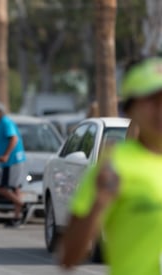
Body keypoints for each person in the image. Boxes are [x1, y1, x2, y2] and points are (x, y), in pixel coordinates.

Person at [59, 57, 162, 274]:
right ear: (131, 110)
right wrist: (100, 202)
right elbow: (68, 257)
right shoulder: (114, 167)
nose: (160, 111)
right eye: (152, 102)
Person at [0, 99, 27, 227]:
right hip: (9, 161)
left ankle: (22, 205)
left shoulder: (5, 122)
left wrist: (6, 155)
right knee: (15, 188)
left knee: (2, 188)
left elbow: (14, 138)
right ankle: (17, 217)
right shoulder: (0, 124)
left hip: (13, 160)